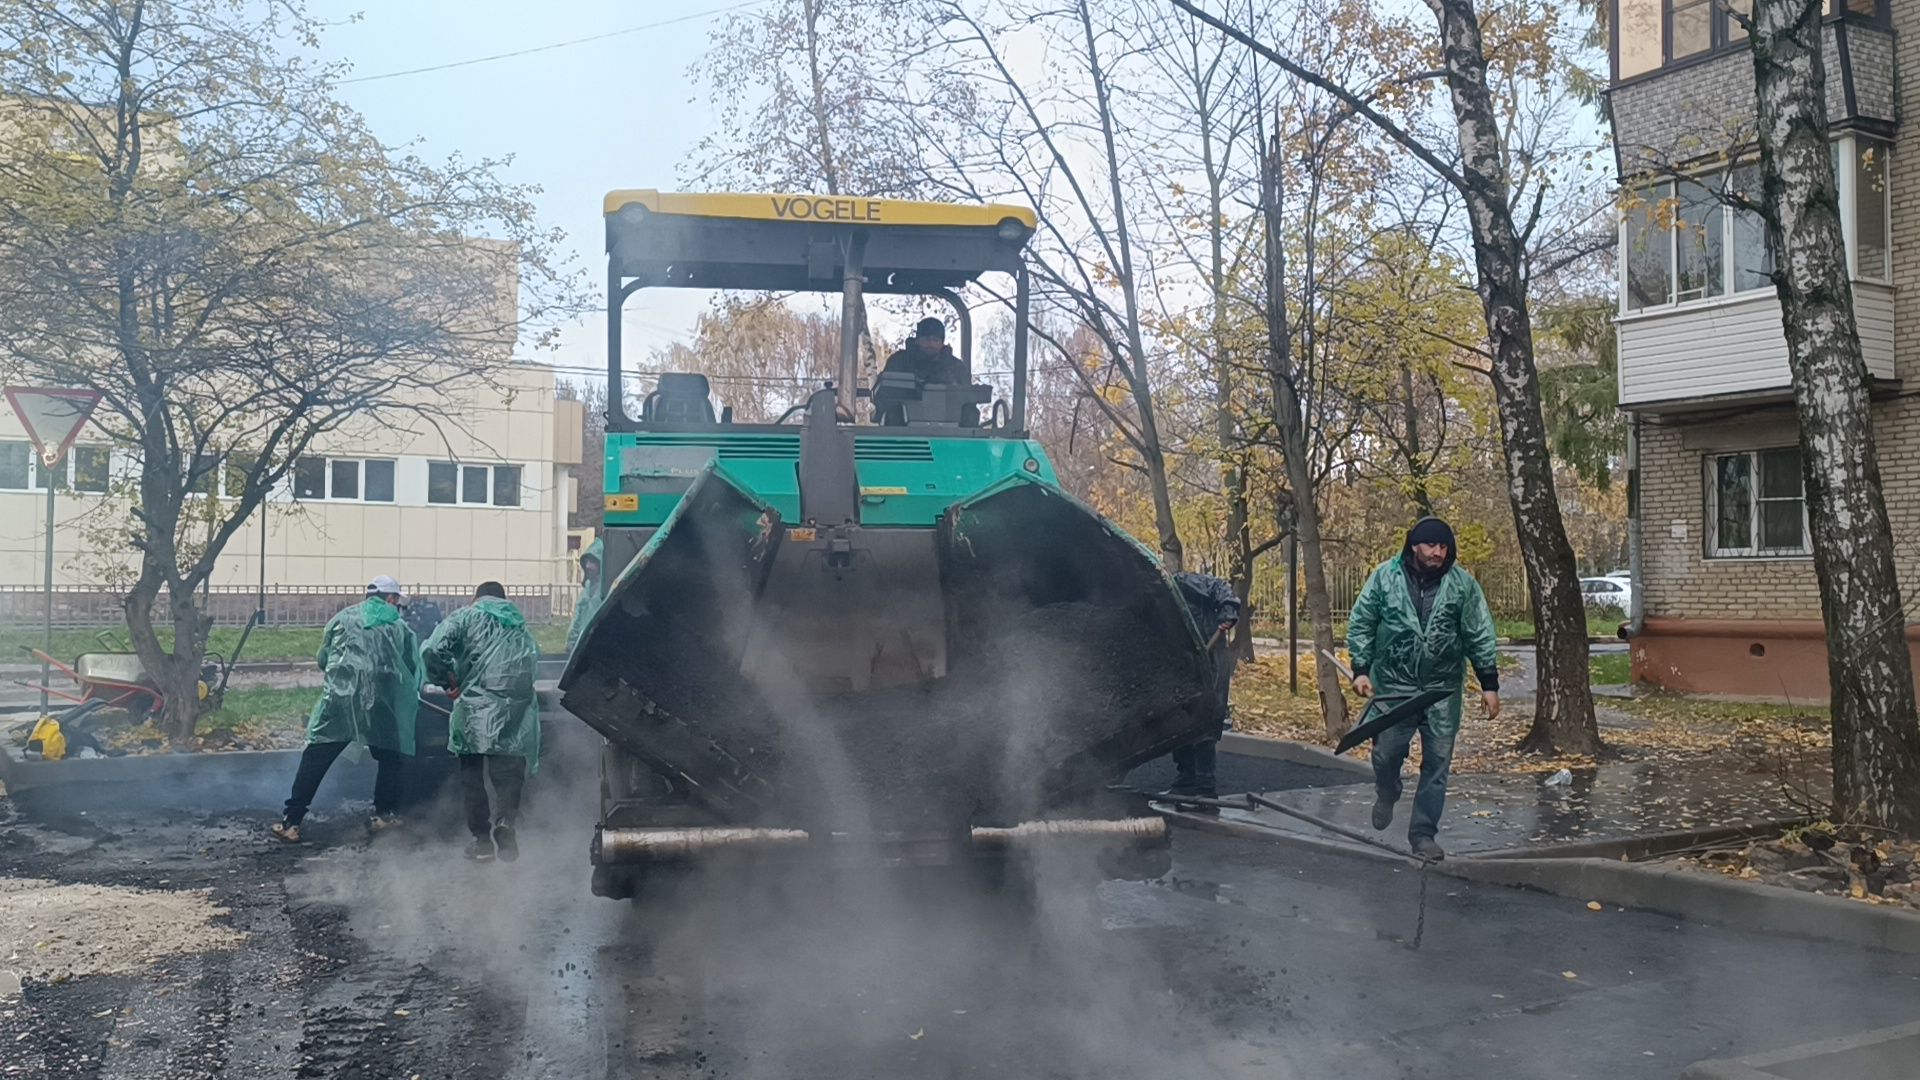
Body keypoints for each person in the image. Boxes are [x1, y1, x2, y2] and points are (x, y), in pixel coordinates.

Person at [1347, 517, 1500, 861]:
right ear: (1414, 545)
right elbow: (1362, 622)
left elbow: (1479, 632)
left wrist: (1489, 684)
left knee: (1437, 764)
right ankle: (1388, 791)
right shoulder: (1385, 578)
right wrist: (1361, 669)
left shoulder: (1462, 586)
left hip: (1441, 690)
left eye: (1444, 546)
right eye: (1431, 545)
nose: (1438, 553)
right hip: (1393, 686)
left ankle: (1423, 835)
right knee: (1385, 754)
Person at [271, 576, 423, 843]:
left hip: (341, 703)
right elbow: (412, 667)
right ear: (391, 598)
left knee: (316, 757)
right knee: (390, 756)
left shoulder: (341, 619)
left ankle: (291, 822)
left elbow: (323, 659)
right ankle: (384, 815)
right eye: (397, 601)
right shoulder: (399, 626)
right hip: (382, 704)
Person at [422, 582, 542, 863]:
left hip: (473, 709)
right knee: (509, 772)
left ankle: (482, 842)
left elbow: (432, 650)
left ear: (476, 598)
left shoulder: (465, 616)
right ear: (504, 599)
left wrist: (447, 680)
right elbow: (531, 663)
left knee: (472, 776)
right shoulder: (519, 624)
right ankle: (506, 823)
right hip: (514, 710)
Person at [1163, 570, 1242, 803]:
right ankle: (1186, 779)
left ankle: (1205, 784)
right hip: (1183, 663)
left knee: (1205, 717)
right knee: (1179, 720)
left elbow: (1219, 588)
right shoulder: (1151, 604)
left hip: (1211, 659)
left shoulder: (1182, 583)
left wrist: (1228, 611)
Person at [880, 317, 969, 386]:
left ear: (942, 343)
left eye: (935, 340)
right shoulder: (899, 362)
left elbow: (967, 398)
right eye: (926, 339)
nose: (930, 343)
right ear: (917, 341)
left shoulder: (956, 367)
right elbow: (884, 394)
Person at [566, 539, 604, 654]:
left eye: (593, 562)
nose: (588, 566)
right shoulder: (587, 589)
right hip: (581, 647)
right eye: (587, 562)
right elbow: (577, 618)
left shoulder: (605, 591)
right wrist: (571, 642)